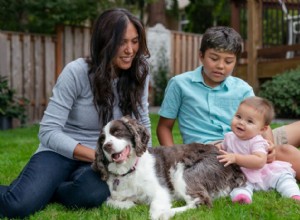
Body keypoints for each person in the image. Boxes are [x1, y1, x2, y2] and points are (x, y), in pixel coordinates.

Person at [0, 8, 151, 218]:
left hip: (102, 160)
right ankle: (39, 188)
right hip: (59, 153)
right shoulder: (77, 72)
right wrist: (99, 156)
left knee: (91, 194)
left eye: (135, 41)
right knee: (17, 206)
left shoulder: (139, 71)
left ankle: (49, 190)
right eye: (122, 42)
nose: (130, 50)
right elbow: (48, 131)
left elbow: (143, 121)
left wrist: (146, 160)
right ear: (105, 43)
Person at [156, 26, 300, 180]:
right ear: (201, 56)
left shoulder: (243, 88)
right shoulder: (180, 84)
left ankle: (268, 160)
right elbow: (164, 127)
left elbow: (261, 122)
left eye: (228, 61)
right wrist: (173, 160)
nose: (220, 66)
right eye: (214, 58)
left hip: (249, 139)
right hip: (214, 151)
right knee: (286, 151)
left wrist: (270, 146)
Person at [217, 96, 300, 204]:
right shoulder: (229, 137)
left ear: (262, 129)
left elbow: (260, 161)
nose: (241, 122)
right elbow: (222, 147)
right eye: (238, 116)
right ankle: (242, 197)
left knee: (283, 177)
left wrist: (235, 158)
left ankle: (293, 194)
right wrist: (217, 148)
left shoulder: (258, 142)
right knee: (238, 184)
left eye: (249, 121)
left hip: (263, 173)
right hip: (242, 174)